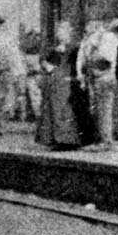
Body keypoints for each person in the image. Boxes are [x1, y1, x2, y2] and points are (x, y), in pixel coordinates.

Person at [35, 21, 83, 149]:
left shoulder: (74, 47)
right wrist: (45, 65)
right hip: (54, 82)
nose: (59, 34)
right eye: (58, 32)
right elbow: (45, 61)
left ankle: (67, 140)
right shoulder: (55, 48)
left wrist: (57, 69)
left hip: (65, 82)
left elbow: (74, 65)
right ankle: (54, 139)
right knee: (51, 110)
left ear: (69, 33)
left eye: (62, 31)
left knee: (64, 111)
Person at [76, 19, 118, 151]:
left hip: (104, 77)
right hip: (95, 77)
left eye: (91, 26)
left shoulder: (107, 37)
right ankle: (100, 140)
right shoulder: (91, 39)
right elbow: (84, 57)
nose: (88, 29)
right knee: (96, 110)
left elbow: (106, 58)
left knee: (104, 109)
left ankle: (106, 141)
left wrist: (95, 48)